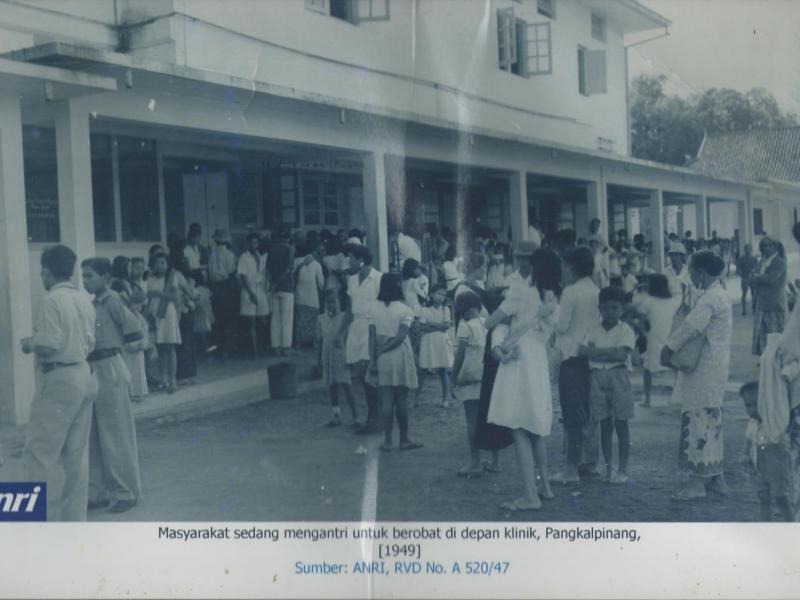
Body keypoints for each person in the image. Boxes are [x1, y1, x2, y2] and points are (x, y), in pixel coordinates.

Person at [20, 245, 96, 521]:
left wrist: (30, 343)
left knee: (37, 454)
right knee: (77, 456)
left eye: (42, 271)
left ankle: (24, 524)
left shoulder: (52, 300)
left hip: (59, 377)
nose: (41, 276)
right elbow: (90, 342)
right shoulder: (83, 299)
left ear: (47, 272)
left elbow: (49, 344)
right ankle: (74, 523)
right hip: (83, 373)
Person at [484, 249, 560, 511]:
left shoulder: (521, 291)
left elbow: (490, 321)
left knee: (518, 426)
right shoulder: (553, 297)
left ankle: (530, 495)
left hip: (520, 359)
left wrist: (500, 322)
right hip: (538, 358)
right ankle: (545, 486)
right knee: (535, 426)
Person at [661, 251, 732, 500]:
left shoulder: (710, 298)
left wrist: (668, 347)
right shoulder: (720, 294)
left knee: (698, 420)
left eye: (693, 272)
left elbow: (690, 327)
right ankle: (716, 476)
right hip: (716, 367)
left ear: (701, 272)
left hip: (703, 370)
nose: (692, 277)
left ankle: (696, 483)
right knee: (712, 420)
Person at [81, 258, 144, 514]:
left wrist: (122, 350)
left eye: (91, 276)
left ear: (106, 277)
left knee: (116, 432)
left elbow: (135, 330)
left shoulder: (114, 300)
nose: (86, 281)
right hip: (94, 368)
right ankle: (98, 491)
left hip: (110, 366)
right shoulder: (91, 305)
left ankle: (126, 491)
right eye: (83, 276)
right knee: (94, 433)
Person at [578, 286, 636, 484]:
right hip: (597, 377)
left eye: (614, 308)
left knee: (622, 423)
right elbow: (582, 351)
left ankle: (623, 469)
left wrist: (597, 352)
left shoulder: (626, 330)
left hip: (618, 376)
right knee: (605, 423)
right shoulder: (593, 328)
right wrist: (608, 352)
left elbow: (621, 355)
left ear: (622, 310)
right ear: (600, 308)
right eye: (606, 308)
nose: (610, 312)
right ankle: (609, 468)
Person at [551, 247, 600, 483]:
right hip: (591, 357)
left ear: (571, 268)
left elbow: (560, 326)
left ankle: (571, 469)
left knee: (571, 415)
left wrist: (551, 309)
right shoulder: (596, 290)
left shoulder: (570, 292)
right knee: (587, 412)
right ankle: (589, 462)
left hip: (571, 357)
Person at [370, 273, 422, 452]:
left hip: (381, 357)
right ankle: (404, 439)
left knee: (386, 399)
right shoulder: (404, 309)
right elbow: (400, 337)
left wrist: (374, 357)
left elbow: (371, 337)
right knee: (401, 399)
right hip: (399, 354)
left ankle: (387, 441)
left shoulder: (374, 308)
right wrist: (383, 350)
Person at [451, 291, 498, 476]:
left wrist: (453, 378)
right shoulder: (488, 323)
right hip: (488, 375)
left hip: (470, 378)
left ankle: (475, 462)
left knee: (472, 421)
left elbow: (460, 355)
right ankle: (495, 462)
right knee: (492, 419)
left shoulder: (465, 326)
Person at [338, 243, 383, 434]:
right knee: (362, 378)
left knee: (370, 375)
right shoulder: (352, 279)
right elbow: (349, 308)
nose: (348, 261)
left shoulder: (379, 278)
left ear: (361, 259)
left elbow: (384, 307)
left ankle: (377, 419)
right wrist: (340, 332)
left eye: (351, 258)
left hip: (372, 329)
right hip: (356, 329)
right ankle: (373, 417)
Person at [740, 380, 797, 522]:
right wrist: (745, 454)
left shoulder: (774, 421)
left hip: (776, 466)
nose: (751, 410)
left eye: (755, 405)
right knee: (763, 497)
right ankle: (765, 525)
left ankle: (792, 524)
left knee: (781, 498)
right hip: (759, 467)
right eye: (747, 405)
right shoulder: (752, 423)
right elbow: (749, 440)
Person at [631, 274, 680, 407]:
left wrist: (641, 332)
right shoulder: (672, 302)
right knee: (676, 367)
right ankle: (677, 397)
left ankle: (648, 399)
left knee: (648, 369)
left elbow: (640, 320)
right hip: (669, 337)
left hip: (653, 337)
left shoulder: (648, 301)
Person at [316, 290, 357, 428]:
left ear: (339, 301)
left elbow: (351, 339)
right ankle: (336, 416)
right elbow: (319, 342)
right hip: (327, 356)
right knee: (331, 386)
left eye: (334, 301)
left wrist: (352, 358)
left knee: (347, 385)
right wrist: (318, 361)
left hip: (341, 356)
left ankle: (355, 417)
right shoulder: (321, 319)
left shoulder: (345, 318)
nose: (331, 305)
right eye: (328, 301)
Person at [147, 251, 184, 393]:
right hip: (155, 314)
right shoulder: (151, 279)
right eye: (157, 263)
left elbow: (174, 297)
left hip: (168, 314)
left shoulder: (171, 278)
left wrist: (159, 293)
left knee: (170, 347)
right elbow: (149, 297)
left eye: (163, 262)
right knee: (160, 348)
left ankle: (173, 379)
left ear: (167, 265)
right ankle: (163, 379)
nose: (160, 265)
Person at [109, 279, 149, 403]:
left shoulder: (130, 307)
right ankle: (134, 393)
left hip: (134, 344)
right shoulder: (121, 307)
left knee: (137, 368)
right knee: (132, 369)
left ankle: (137, 392)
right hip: (128, 343)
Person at [416, 285, 453, 407]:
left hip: (441, 342)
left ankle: (446, 398)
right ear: (431, 294)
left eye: (443, 295)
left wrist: (431, 324)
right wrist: (438, 326)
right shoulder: (425, 310)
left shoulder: (445, 309)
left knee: (443, 370)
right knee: (423, 370)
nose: (441, 297)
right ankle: (415, 398)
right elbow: (422, 327)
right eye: (438, 294)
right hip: (428, 341)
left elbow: (446, 327)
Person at [750, 236, 787, 356]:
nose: (766, 248)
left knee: (775, 335)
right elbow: (750, 278)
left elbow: (771, 279)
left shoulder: (779, 262)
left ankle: (777, 361)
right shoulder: (761, 262)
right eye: (764, 246)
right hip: (761, 304)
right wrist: (757, 278)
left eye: (769, 245)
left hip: (774, 305)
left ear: (775, 247)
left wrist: (757, 278)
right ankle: (767, 361)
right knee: (762, 336)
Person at [238, 233, 270, 358]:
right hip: (248, 290)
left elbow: (263, 274)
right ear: (247, 243)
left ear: (258, 244)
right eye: (251, 242)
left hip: (260, 289)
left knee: (263, 319)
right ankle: (254, 351)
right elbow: (243, 277)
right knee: (251, 322)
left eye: (256, 242)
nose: (253, 245)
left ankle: (262, 346)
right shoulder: (243, 257)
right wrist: (251, 294)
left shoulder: (260, 256)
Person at [208, 228, 239, 358]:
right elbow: (232, 271)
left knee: (218, 318)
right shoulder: (229, 254)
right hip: (226, 286)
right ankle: (229, 349)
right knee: (229, 318)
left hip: (215, 287)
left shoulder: (212, 254)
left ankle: (219, 349)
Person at [267, 230, 295, 356]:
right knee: (286, 319)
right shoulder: (290, 249)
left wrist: (273, 283)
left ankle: (275, 347)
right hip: (287, 287)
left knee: (275, 319)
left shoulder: (272, 249)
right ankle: (286, 347)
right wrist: (278, 282)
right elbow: (289, 269)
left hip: (274, 289)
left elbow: (267, 270)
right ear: (289, 238)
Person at [294, 240, 325, 348]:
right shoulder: (317, 264)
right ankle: (314, 342)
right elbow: (321, 283)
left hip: (299, 295)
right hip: (312, 296)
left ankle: (298, 342)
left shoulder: (297, 261)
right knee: (313, 319)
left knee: (300, 319)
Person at [665, 242, 691, 313]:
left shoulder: (688, 271)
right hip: (669, 305)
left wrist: (684, 305)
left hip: (685, 306)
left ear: (681, 256)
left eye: (676, 255)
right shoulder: (666, 271)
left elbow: (691, 292)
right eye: (672, 255)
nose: (673, 258)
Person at [192, 272, 214, 354]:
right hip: (208, 311)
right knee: (207, 331)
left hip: (200, 313)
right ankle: (208, 349)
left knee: (200, 332)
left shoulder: (195, 290)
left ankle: (203, 349)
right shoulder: (206, 289)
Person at [736, 244, 758, 316]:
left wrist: (753, 272)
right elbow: (738, 269)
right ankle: (744, 310)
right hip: (745, 277)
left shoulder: (754, 259)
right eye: (747, 249)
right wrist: (741, 275)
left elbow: (757, 268)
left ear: (751, 250)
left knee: (753, 294)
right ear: (744, 250)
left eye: (749, 249)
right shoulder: (741, 259)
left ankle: (754, 309)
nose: (748, 251)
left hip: (752, 277)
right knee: (744, 294)